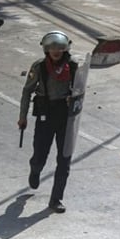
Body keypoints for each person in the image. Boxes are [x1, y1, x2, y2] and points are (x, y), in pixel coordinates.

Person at [18, 31, 79, 213]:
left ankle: (56, 199)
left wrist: (73, 99)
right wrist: (23, 116)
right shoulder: (39, 67)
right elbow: (27, 91)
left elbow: (80, 90)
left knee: (64, 159)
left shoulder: (73, 66)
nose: (56, 52)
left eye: (60, 48)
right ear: (46, 49)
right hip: (45, 114)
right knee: (40, 154)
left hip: (66, 116)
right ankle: (35, 169)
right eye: (52, 48)